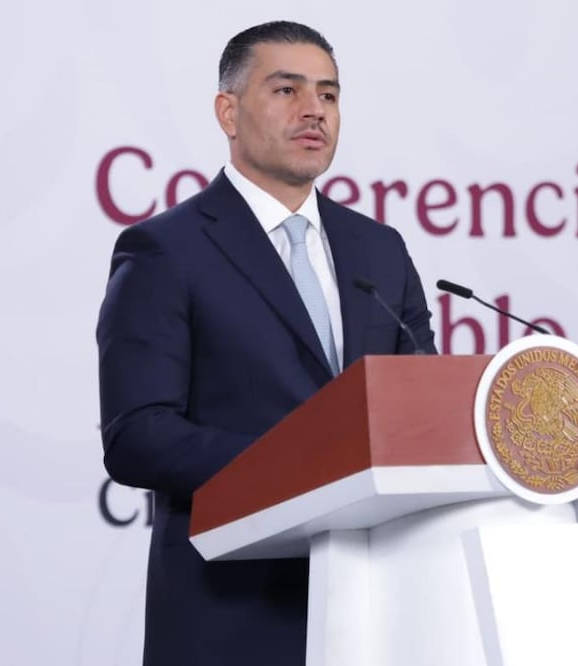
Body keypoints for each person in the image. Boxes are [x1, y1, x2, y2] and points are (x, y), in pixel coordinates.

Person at [96, 20, 437, 666]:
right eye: (287, 90)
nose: (315, 111)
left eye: (329, 96)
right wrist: (306, 464)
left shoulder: (380, 250)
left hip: (383, 611)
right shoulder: (166, 251)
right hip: (233, 616)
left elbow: (420, 410)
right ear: (228, 111)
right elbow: (137, 435)